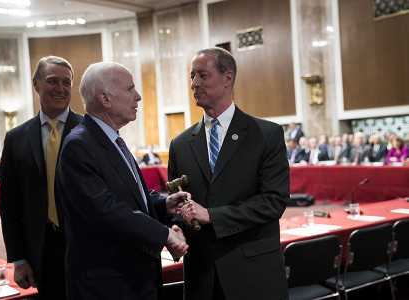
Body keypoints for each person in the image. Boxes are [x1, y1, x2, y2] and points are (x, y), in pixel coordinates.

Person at [55, 62, 189, 300]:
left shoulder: (111, 139)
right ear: (105, 99)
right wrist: (165, 234)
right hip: (107, 285)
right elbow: (105, 211)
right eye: (130, 89)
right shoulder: (79, 145)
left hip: (133, 278)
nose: (138, 96)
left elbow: (129, 197)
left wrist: (162, 204)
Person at [168, 47, 289, 300]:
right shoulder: (180, 144)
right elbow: (179, 203)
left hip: (253, 273)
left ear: (228, 78)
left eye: (202, 75)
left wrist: (212, 215)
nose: (194, 84)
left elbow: (273, 202)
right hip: (201, 276)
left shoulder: (266, 135)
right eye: (192, 76)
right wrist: (176, 228)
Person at [0, 56, 83, 299]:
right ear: (36, 85)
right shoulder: (16, 139)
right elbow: (9, 204)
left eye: (66, 82)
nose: (60, 88)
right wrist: (18, 258)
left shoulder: (90, 131)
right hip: (42, 249)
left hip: (87, 245)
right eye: (52, 81)